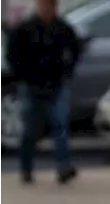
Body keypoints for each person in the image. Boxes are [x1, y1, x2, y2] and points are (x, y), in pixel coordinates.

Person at [4, 0, 81, 184]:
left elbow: (75, 49)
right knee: (30, 130)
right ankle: (26, 169)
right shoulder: (25, 29)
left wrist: (67, 71)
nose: (48, 10)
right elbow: (12, 55)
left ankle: (63, 167)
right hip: (32, 85)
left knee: (60, 124)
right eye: (45, 6)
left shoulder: (62, 28)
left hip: (56, 84)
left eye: (51, 6)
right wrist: (23, 74)